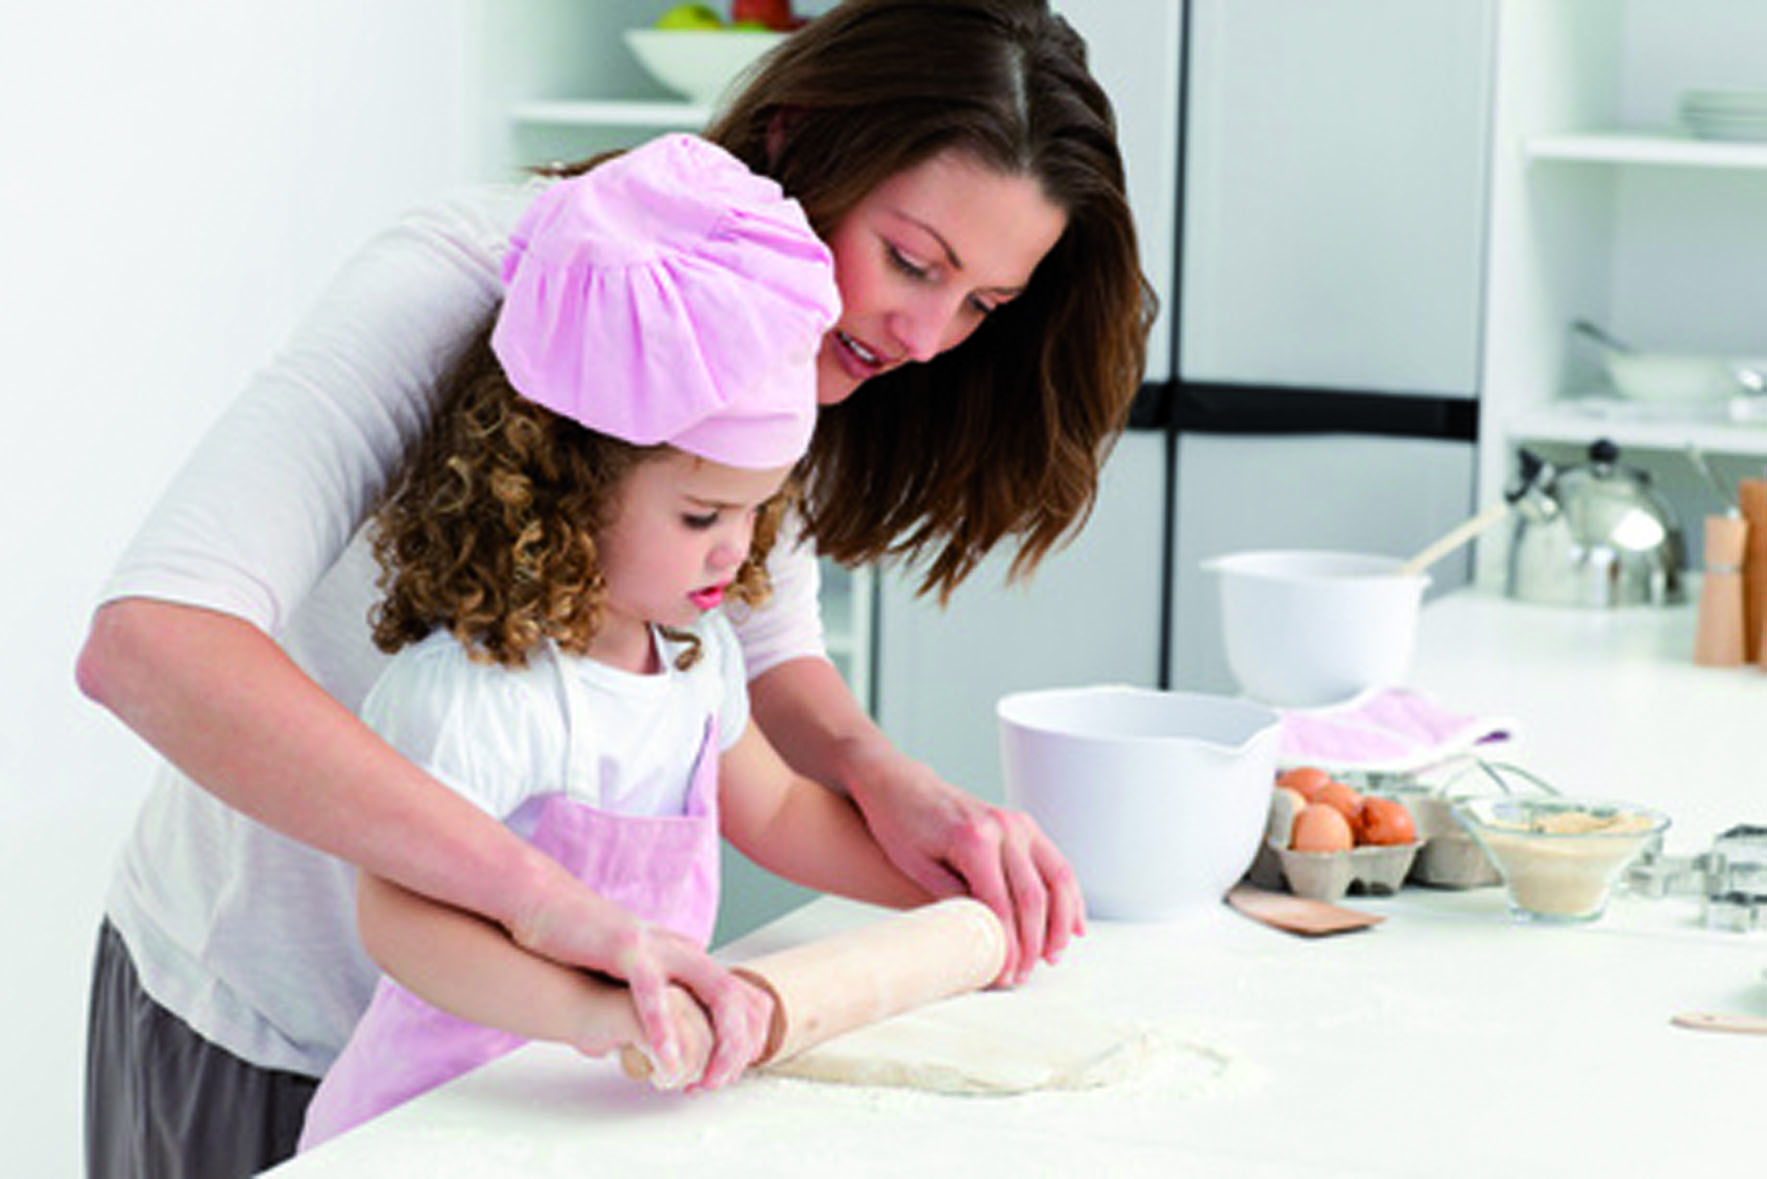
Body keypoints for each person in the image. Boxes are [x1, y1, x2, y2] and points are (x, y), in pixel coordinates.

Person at [77, 1, 1152, 1174]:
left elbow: (761, 653)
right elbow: (154, 643)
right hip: (264, 1028)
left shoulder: (788, 348)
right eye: (912, 261)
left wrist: (896, 791)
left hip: (531, 1077)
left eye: (983, 305)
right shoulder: (469, 278)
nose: (927, 335)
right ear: (797, 142)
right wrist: (548, 912)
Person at [296, 132, 932, 1151]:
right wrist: (594, 1014)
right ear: (567, 486)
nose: (732, 551)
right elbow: (400, 919)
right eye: (700, 517)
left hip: (603, 1106)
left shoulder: (693, 659)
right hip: (445, 1122)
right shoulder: (479, 693)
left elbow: (770, 808)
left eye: (755, 515)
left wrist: (947, 890)